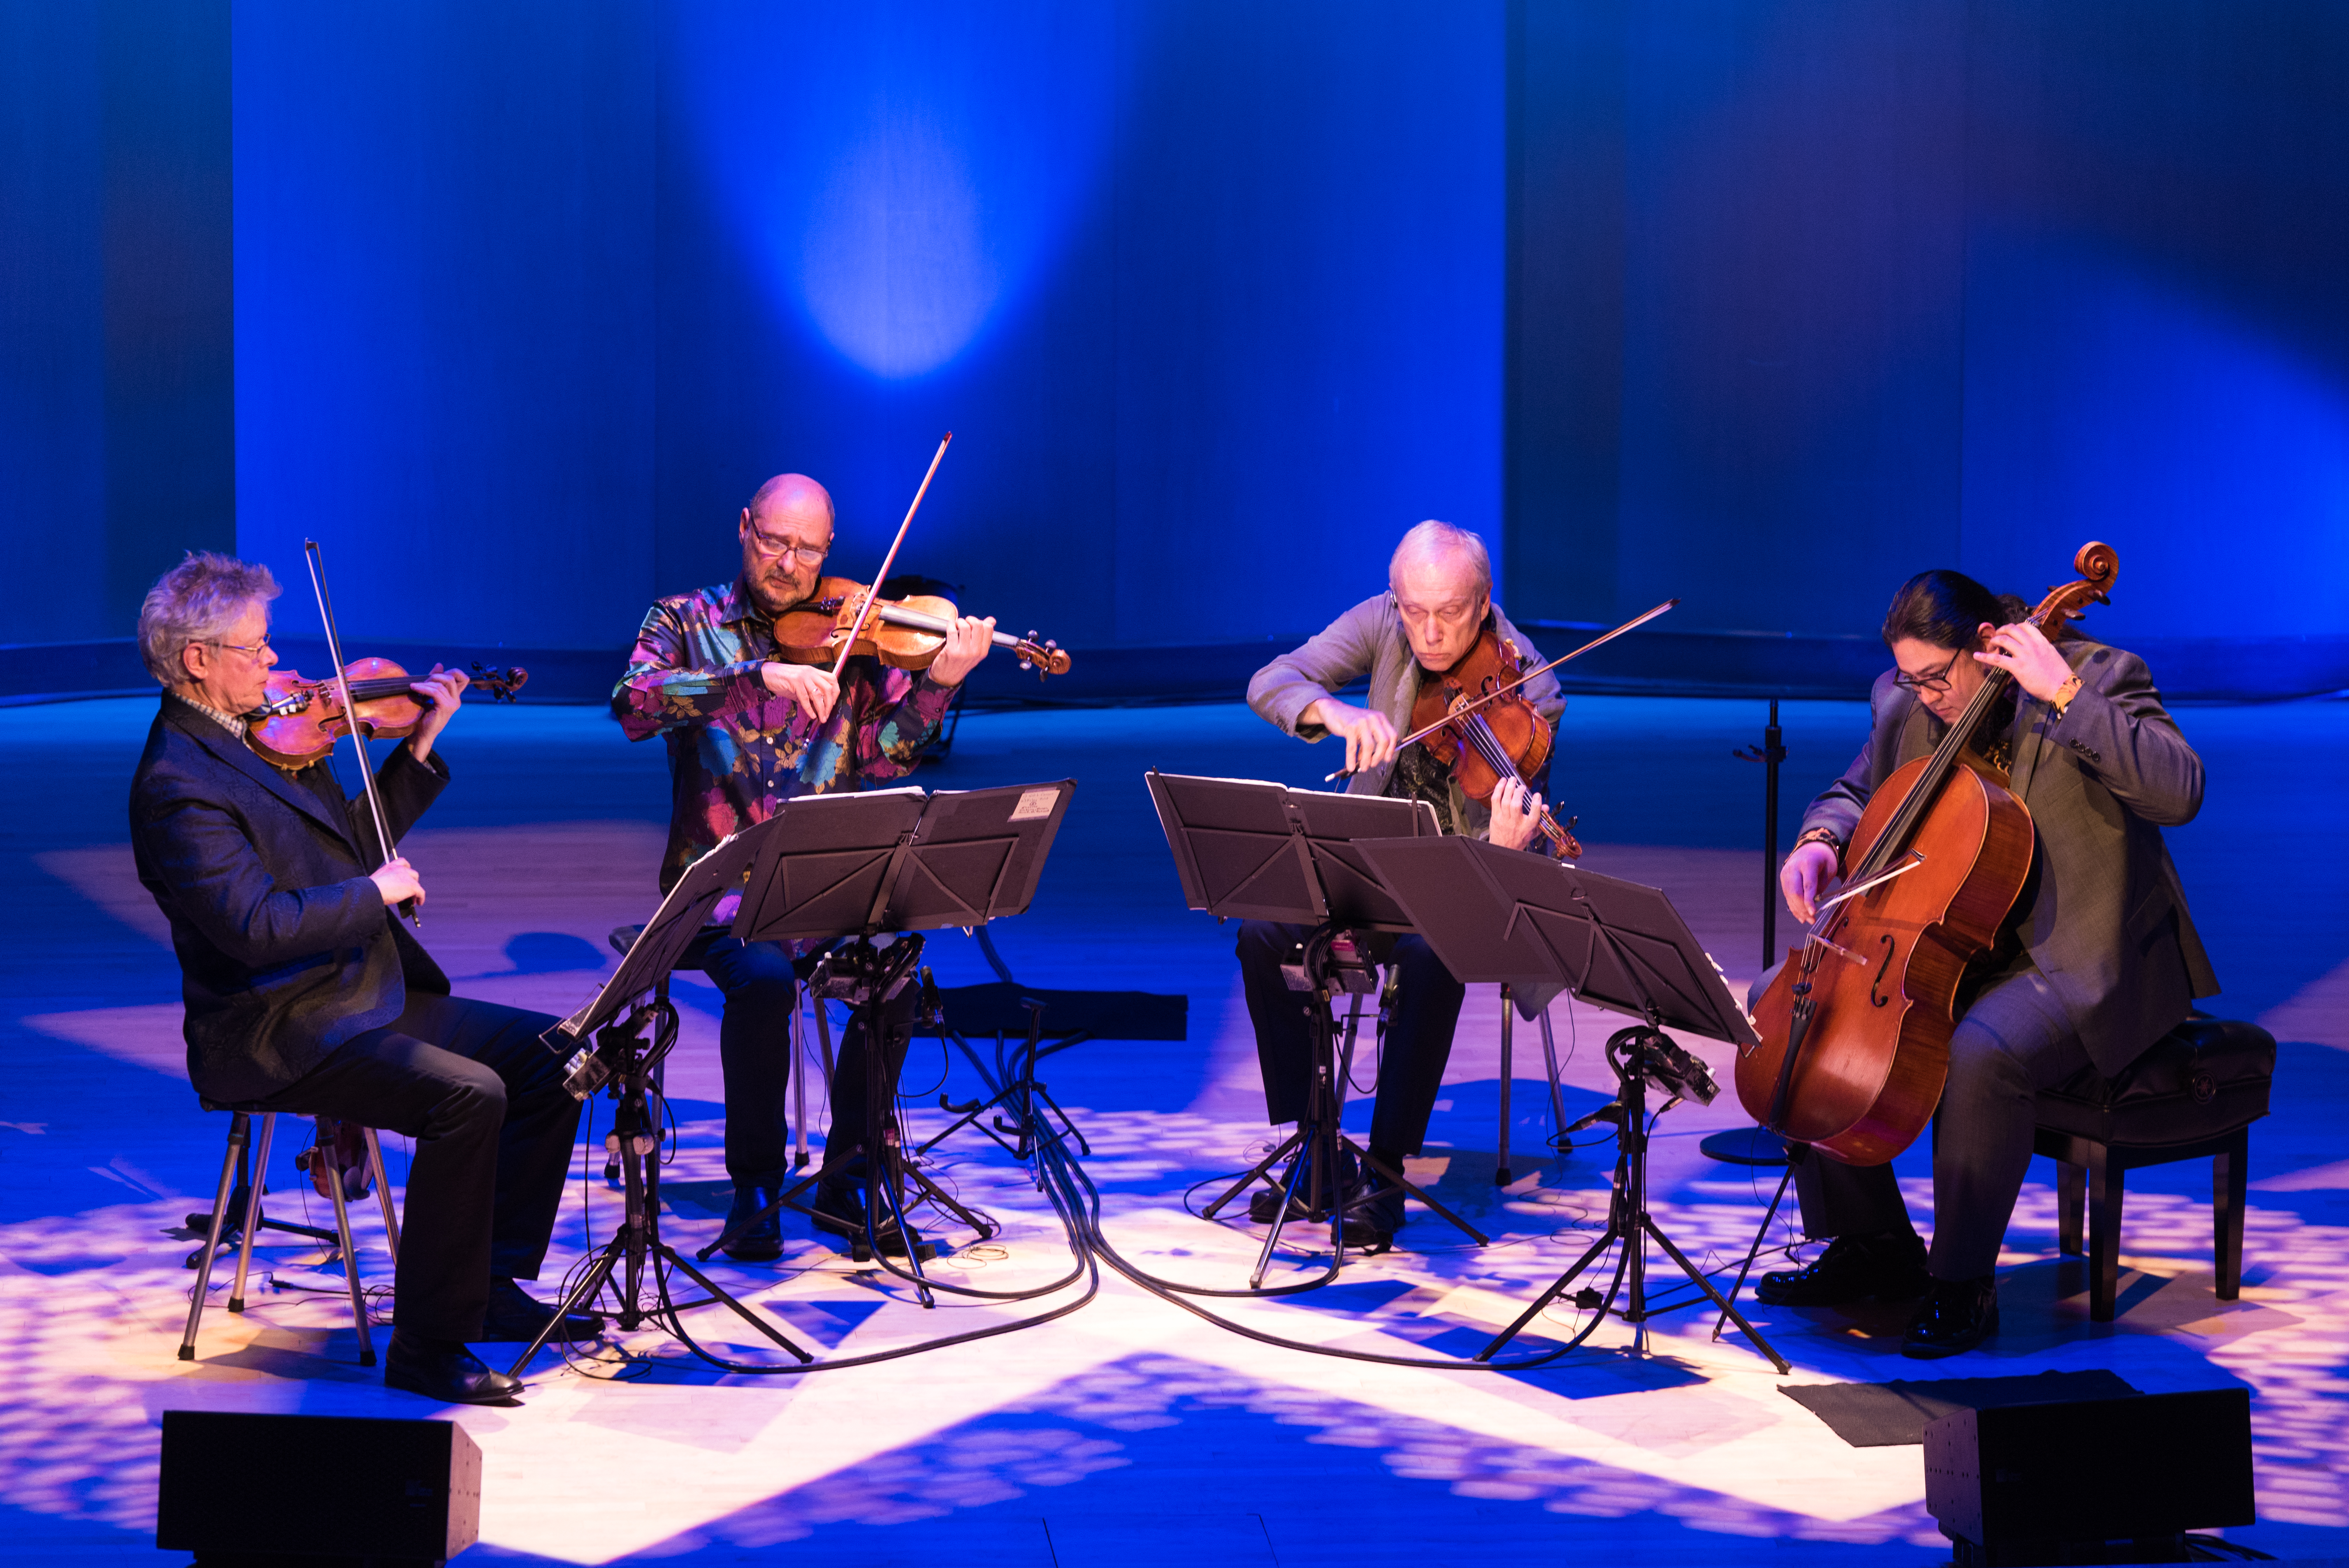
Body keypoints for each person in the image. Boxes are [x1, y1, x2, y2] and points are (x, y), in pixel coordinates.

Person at [128, 552, 597, 1406]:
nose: (277, 666)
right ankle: (427, 1341)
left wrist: (415, 750)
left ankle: (490, 1284)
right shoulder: (177, 783)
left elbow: (342, 842)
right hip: (278, 1026)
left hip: (351, 993)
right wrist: (372, 893)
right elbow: (256, 926)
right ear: (197, 659)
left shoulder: (255, 738)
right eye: (257, 649)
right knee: (468, 1097)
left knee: (548, 1055)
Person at [1753, 569, 2217, 1357]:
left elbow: (2181, 791)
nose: (1924, 695)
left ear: (1983, 644)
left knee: (1982, 1051)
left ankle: (1962, 1282)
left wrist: (2064, 693)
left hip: (2075, 951)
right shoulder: (1904, 700)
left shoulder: (2102, 676)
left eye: (1935, 677)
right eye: (1909, 679)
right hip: (1961, 940)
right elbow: (1851, 790)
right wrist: (1819, 841)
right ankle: (1875, 1246)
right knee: (1787, 1002)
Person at [611, 473, 994, 1258]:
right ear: (745, 526)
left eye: (809, 550)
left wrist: (937, 689)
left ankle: (849, 1180)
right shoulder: (685, 621)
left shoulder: (853, 633)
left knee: (895, 967)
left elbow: (885, 761)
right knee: (762, 980)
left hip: (823, 883)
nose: (790, 564)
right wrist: (751, 678)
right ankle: (753, 1182)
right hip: (715, 890)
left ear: (829, 550)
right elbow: (632, 704)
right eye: (775, 542)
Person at [1239, 520, 1558, 1248]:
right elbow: (1272, 680)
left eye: (1449, 614)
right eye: (1415, 611)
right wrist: (1336, 710)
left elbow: (1506, 865)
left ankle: (1383, 1172)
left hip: (1464, 886)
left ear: (1482, 605)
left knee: (1429, 956)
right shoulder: (1387, 618)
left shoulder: (1533, 685)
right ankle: (1315, 1151)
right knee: (1263, 935)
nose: (1430, 633)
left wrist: (1503, 846)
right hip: (1369, 867)